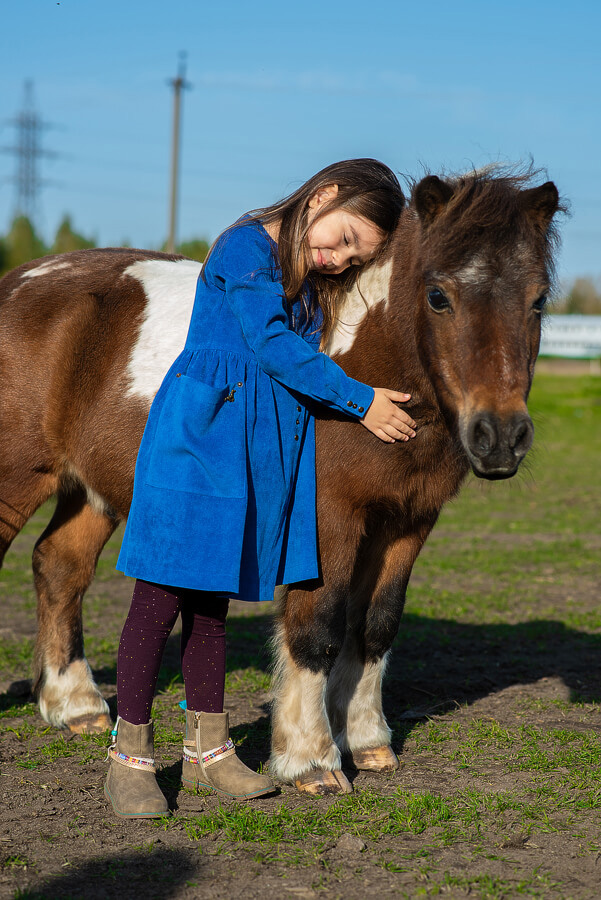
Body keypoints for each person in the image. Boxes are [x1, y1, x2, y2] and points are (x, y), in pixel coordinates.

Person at [105, 158, 417, 818]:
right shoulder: (246, 246)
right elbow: (270, 345)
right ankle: (128, 757)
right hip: (201, 440)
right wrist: (359, 400)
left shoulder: (304, 278)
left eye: (354, 256)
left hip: (251, 450)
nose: (337, 258)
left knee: (210, 605)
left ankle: (207, 755)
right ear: (323, 194)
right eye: (344, 237)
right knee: (158, 597)